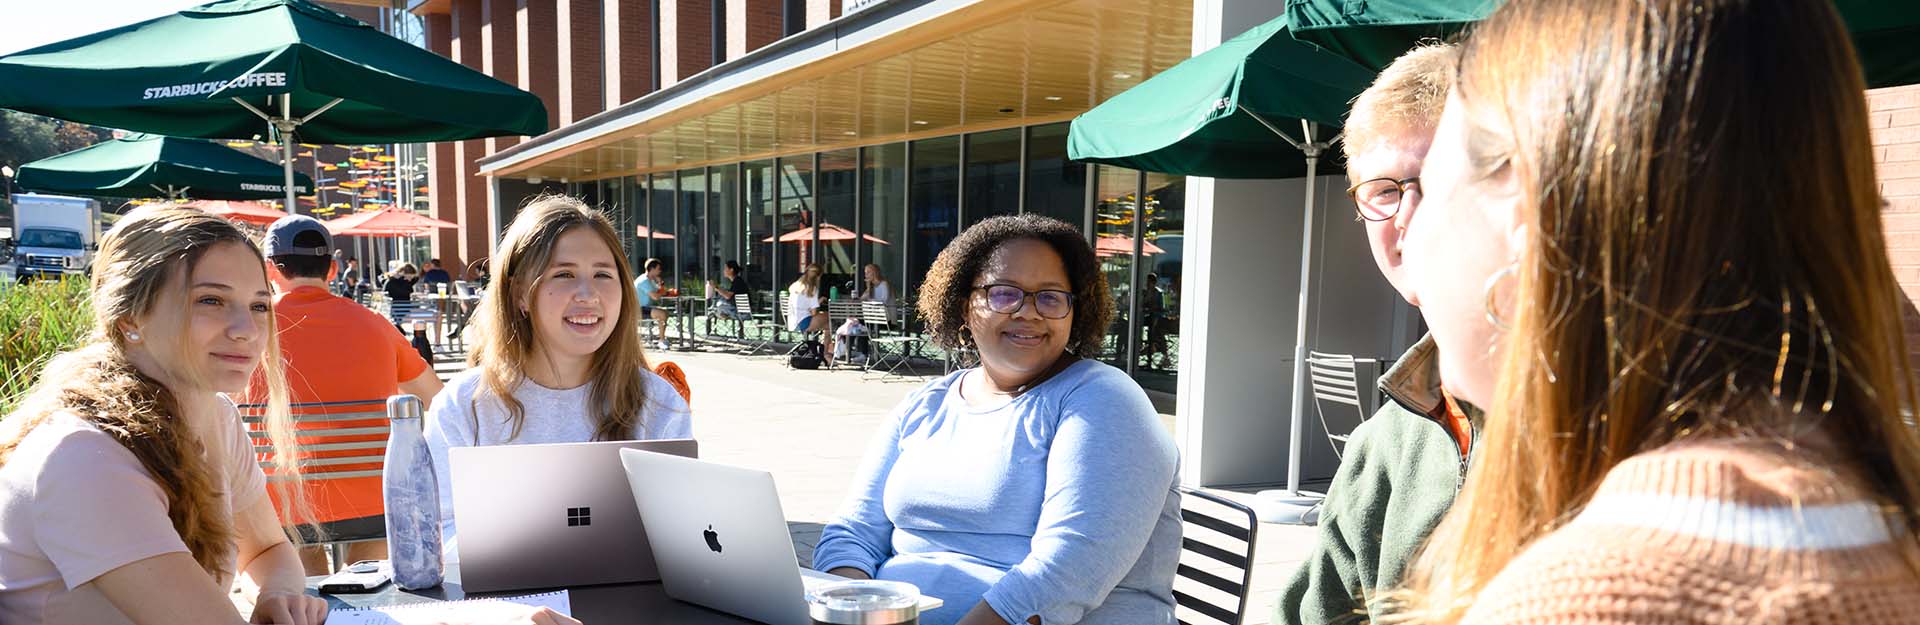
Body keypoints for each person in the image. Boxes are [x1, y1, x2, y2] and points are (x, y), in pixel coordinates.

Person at [1391, 1, 1920, 623]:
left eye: (1426, 186)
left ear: (1528, 220)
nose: (1407, 233)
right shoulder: (1885, 534)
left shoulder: (1575, 605)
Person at [0, 207, 580, 625]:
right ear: (129, 318)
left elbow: (269, 551)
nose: (246, 329)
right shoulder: (85, 457)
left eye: (257, 305)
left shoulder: (216, 416)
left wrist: (280, 595)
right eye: (210, 300)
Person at [812, 214, 1180, 625]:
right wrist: (849, 608)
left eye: (1051, 297)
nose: (1029, 312)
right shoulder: (925, 403)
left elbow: (1069, 571)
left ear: (1077, 312)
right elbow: (854, 531)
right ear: (963, 304)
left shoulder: (1102, 400)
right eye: (1004, 294)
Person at [1269, 43, 1469, 625]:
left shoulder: (1629, 416)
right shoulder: (1384, 441)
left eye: (1437, 180)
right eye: (1383, 190)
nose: (1407, 216)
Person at [425, 195, 692, 562]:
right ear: (519, 293)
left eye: (603, 274)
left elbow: (685, 535)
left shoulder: (659, 402)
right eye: (564, 274)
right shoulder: (463, 406)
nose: (588, 294)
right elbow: (434, 537)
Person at [250, 215, 447, 575]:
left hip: (285, 506)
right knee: (368, 571)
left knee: (299, 558)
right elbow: (439, 400)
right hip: (373, 505)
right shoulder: (374, 324)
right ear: (333, 268)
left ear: (269, 269)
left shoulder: (251, 330)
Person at [786, 263, 835, 367]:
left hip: (792, 321)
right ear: (818, 276)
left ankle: (824, 352)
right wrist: (818, 303)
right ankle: (826, 353)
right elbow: (814, 313)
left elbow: (804, 304)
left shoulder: (795, 285)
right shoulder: (812, 288)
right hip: (803, 322)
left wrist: (815, 303)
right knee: (831, 319)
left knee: (828, 325)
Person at [633, 258, 670, 348]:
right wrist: (661, 292)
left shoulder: (650, 281)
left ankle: (662, 338)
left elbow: (661, 291)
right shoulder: (643, 281)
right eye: (658, 269)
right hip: (636, 309)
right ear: (652, 269)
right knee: (661, 314)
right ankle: (661, 341)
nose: (660, 271)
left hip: (644, 308)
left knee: (665, 312)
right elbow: (655, 296)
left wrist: (660, 283)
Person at [383, 262, 421, 330]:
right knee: (433, 313)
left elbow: (416, 278)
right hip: (401, 309)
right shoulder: (400, 283)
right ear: (403, 273)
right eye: (409, 277)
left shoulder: (391, 280)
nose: (410, 280)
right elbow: (407, 291)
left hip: (393, 309)